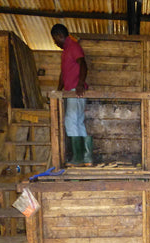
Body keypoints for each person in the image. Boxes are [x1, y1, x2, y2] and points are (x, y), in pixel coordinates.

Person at [50, 23, 93, 167]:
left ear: (59, 36)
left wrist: (80, 83)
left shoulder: (73, 46)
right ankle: (86, 158)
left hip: (76, 90)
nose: (55, 43)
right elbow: (64, 74)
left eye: (55, 40)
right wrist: (58, 91)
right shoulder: (66, 50)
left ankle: (78, 158)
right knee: (78, 122)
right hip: (71, 91)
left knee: (70, 121)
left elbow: (83, 64)